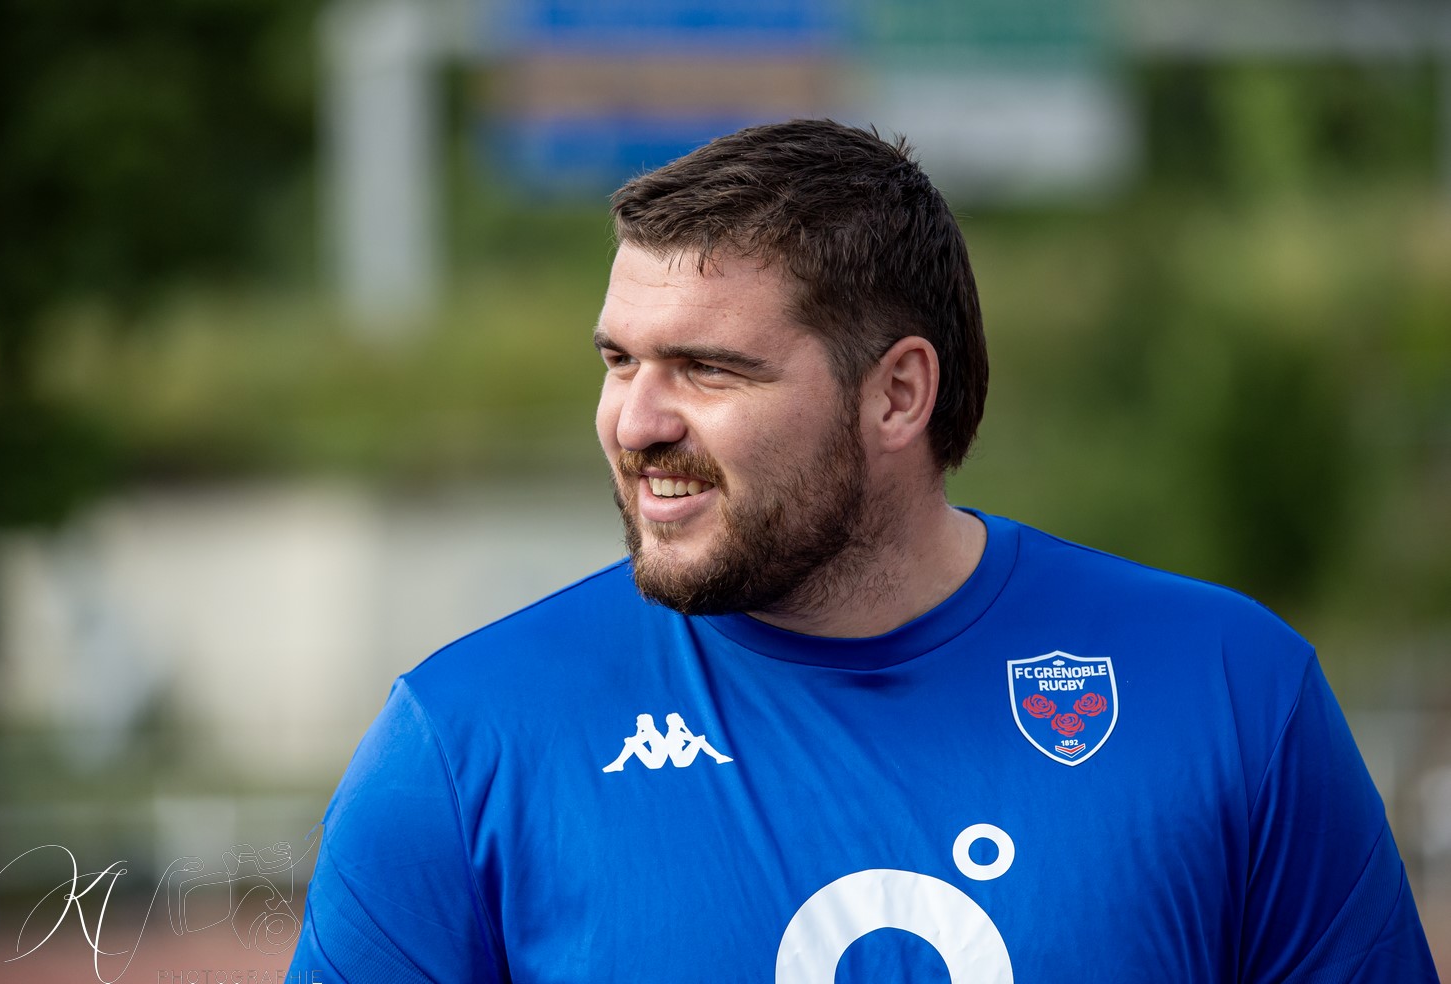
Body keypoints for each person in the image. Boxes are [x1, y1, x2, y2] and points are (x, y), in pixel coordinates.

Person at [288, 119, 1437, 982]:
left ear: (896, 394)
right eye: (617, 361)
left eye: (707, 368)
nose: (635, 422)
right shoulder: (466, 744)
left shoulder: (1228, 690)